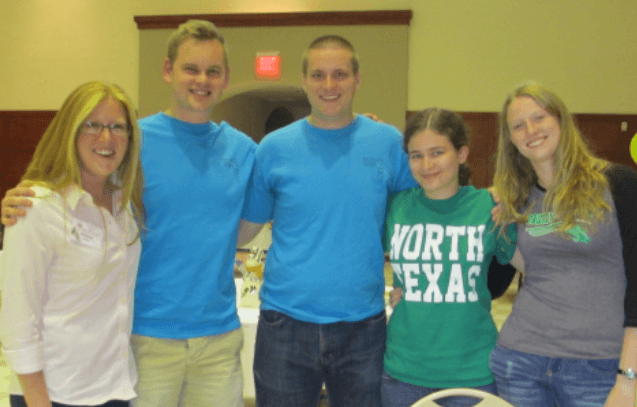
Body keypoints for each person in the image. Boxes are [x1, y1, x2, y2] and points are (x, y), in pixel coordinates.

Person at [1, 20, 261, 407]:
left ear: (226, 79)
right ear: (168, 70)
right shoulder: (128, 141)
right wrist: (21, 198)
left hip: (218, 340)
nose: (201, 79)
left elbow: (242, 228)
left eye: (213, 71)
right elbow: (71, 183)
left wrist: (359, 128)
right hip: (144, 339)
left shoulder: (244, 151)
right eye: (191, 68)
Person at [241, 35, 417, 407]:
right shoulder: (273, 147)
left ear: (357, 79)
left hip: (363, 326)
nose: (329, 85)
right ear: (304, 81)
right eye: (318, 75)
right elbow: (245, 227)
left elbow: (419, 215)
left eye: (340, 74)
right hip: (284, 325)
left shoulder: (388, 143)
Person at [489, 81, 637, 407]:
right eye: (518, 125)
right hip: (521, 359)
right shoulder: (518, 200)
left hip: (596, 366)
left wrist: (629, 377)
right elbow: (500, 283)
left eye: (539, 117)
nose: (531, 130)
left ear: (561, 120)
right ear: (511, 139)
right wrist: (499, 235)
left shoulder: (618, 184)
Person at [0, 81, 145, 407]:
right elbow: (17, 321)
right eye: (92, 125)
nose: (106, 138)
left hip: (115, 388)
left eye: (117, 127)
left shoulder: (124, 203)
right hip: (55, 395)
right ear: (69, 130)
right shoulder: (36, 207)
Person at [380, 108, 521, 407]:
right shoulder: (395, 207)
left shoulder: (489, 206)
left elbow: (553, 226)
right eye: (416, 155)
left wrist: (521, 206)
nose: (426, 164)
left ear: (462, 154)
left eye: (437, 152)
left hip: (471, 373)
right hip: (403, 372)